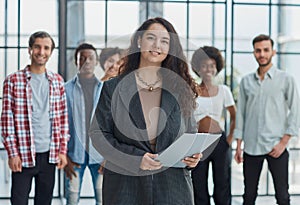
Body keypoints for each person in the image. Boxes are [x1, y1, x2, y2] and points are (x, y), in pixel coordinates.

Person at [89, 17, 202, 205]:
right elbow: (98, 134)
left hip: (173, 188)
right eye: (151, 38)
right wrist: (135, 159)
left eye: (165, 41)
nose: (157, 45)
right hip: (126, 187)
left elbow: (190, 132)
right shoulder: (113, 87)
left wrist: (192, 157)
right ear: (139, 41)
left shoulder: (181, 88)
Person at [0, 31, 69, 205]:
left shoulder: (57, 81)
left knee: (44, 201)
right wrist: (12, 153)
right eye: (37, 47)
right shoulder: (13, 81)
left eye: (46, 48)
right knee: (18, 201)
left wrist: (62, 150)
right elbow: (6, 120)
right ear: (30, 49)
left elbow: (62, 119)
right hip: (23, 155)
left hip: (49, 155)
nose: (41, 52)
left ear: (51, 52)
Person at [234, 34, 300, 205]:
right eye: (258, 50)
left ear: (273, 52)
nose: (262, 54)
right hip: (252, 146)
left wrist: (284, 142)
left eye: (265, 50)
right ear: (254, 53)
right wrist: (239, 145)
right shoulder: (246, 82)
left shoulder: (286, 79)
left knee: (283, 196)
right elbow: (241, 113)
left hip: (276, 146)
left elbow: (296, 110)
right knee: (248, 196)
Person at [191, 46, 236, 205]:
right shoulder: (192, 90)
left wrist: (230, 138)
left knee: (222, 182)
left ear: (217, 67)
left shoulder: (224, 90)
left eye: (212, 65)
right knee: (198, 183)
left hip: (219, 141)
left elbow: (234, 115)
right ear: (198, 68)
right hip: (198, 143)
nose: (208, 69)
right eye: (204, 65)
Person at [64, 43, 104, 205]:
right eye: (82, 58)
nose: (87, 61)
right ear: (76, 62)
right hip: (74, 155)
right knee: (72, 199)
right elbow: (59, 124)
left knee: (103, 200)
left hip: (101, 156)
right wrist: (64, 155)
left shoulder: (105, 90)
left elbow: (112, 125)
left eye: (91, 58)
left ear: (97, 62)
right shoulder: (65, 89)